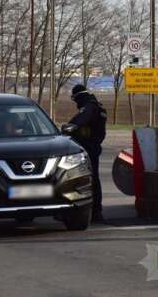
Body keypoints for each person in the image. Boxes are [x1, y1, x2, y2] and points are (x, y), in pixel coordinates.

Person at [68, 84, 108, 222]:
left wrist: (69, 127)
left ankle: (95, 212)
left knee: (87, 180)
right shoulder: (96, 105)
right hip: (93, 146)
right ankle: (96, 211)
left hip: (88, 147)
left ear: (79, 96)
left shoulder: (89, 107)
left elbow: (78, 122)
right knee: (93, 179)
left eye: (75, 99)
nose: (75, 103)